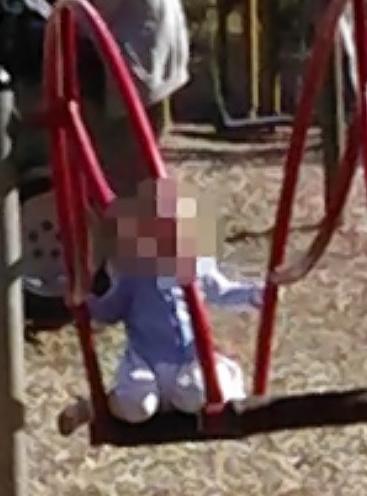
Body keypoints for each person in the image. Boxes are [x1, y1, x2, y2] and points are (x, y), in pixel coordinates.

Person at [57, 178, 263, 433]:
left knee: (197, 391)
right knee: (137, 406)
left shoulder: (197, 265)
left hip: (190, 359)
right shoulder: (133, 273)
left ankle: (230, 384)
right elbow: (109, 310)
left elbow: (221, 291)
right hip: (147, 361)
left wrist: (257, 294)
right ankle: (94, 407)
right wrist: (84, 301)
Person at [54, 0, 191, 198]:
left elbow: (95, 18)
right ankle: (155, 233)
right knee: (147, 159)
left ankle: (134, 238)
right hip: (165, 58)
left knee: (121, 162)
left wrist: (57, 16)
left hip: (136, 67)